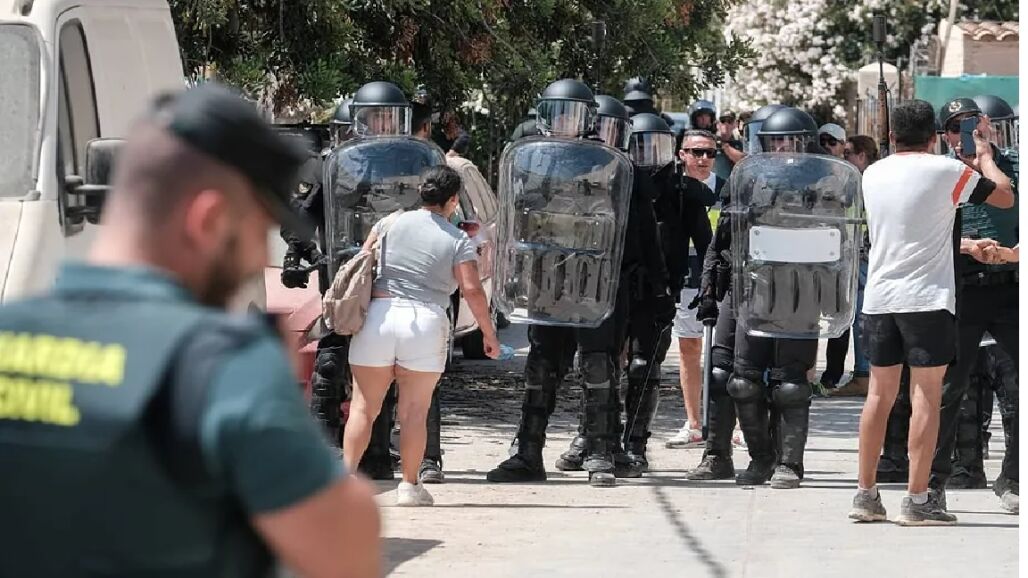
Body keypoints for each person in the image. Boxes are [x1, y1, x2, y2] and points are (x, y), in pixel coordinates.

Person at [0, 83, 381, 577]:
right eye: (256, 233)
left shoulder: (10, 333)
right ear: (211, 220)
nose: (255, 258)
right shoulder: (217, 362)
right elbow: (344, 550)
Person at [849, 99, 1013, 526]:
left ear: (891, 137)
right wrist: (985, 156)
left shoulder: (872, 173)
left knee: (879, 396)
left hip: (880, 298)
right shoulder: (947, 171)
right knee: (926, 395)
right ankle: (918, 499)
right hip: (928, 299)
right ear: (935, 137)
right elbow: (1004, 195)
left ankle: (865, 494)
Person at [488, 83, 656, 487]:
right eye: (557, 111)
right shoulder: (532, 159)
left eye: (573, 112)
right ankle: (527, 453)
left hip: (598, 282)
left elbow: (640, 234)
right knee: (541, 365)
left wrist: (652, 289)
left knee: (598, 365)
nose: (564, 120)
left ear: (588, 118)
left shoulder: (613, 165)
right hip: (547, 280)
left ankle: (601, 453)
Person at [686, 107, 829, 489]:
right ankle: (749, 457)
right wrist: (709, 288)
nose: (781, 149)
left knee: (790, 385)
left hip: (798, 291)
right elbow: (722, 239)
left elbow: (839, 247)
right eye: (774, 142)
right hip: (747, 286)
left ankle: (789, 463)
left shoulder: (825, 182)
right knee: (735, 379)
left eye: (789, 142)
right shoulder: (747, 177)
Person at [343, 165, 499, 506]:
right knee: (414, 412)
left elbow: (362, 263)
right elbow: (472, 290)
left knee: (363, 407)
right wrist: (489, 334)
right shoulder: (457, 239)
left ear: (421, 192)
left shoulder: (389, 223)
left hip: (379, 318)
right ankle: (410, 486)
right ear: (453, 200)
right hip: (425, 323)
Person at [926, 96, 1019, 514]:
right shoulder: (942, 173)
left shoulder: (1014, 166)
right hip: (962, 289)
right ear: (945, 136)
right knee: (949, 390)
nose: (965, 133)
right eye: (955, 127)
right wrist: (966, 246)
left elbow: (1009, 199)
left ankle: (1013, 477)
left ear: (987, 124)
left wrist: (985, 158)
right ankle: (933, 483)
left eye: (972, 123)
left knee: (1017, 388)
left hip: (1010, 287)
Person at [616, 113, 705, 477]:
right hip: (615, 289)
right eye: (641, 147)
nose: (649, 156)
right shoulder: (615, 184)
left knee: (644, 366)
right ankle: (593, 439)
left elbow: (708, 246)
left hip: (659, 292)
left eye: (657, 147)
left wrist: (709, 289)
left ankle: (635, 444)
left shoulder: (683, 193)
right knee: (601, 364)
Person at [666, 129, 723, 448]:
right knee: (689, 349)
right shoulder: (672, 189)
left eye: (709, 153)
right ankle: (694, 424)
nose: (703, 159)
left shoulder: (727, 191)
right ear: (681, 154)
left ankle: (733, 425)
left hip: (721, 281)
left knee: (726, 353)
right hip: (686, 279)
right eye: (696, 152)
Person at [824, 135, 879, 397]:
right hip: (863, 255)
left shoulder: (864, 180)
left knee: (860, 317)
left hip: (865, 257)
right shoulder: (867, 178)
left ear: (861, 156)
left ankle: (863, 374)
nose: (843, 157)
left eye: (847, 153)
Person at [713, 110, 746, 179]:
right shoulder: (711, 142)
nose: (726, 124)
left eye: (729, 121)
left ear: (735, 125)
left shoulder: (739, 144)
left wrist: (724, 146)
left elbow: (743, 162)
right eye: (723, 121)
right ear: (718, 125)